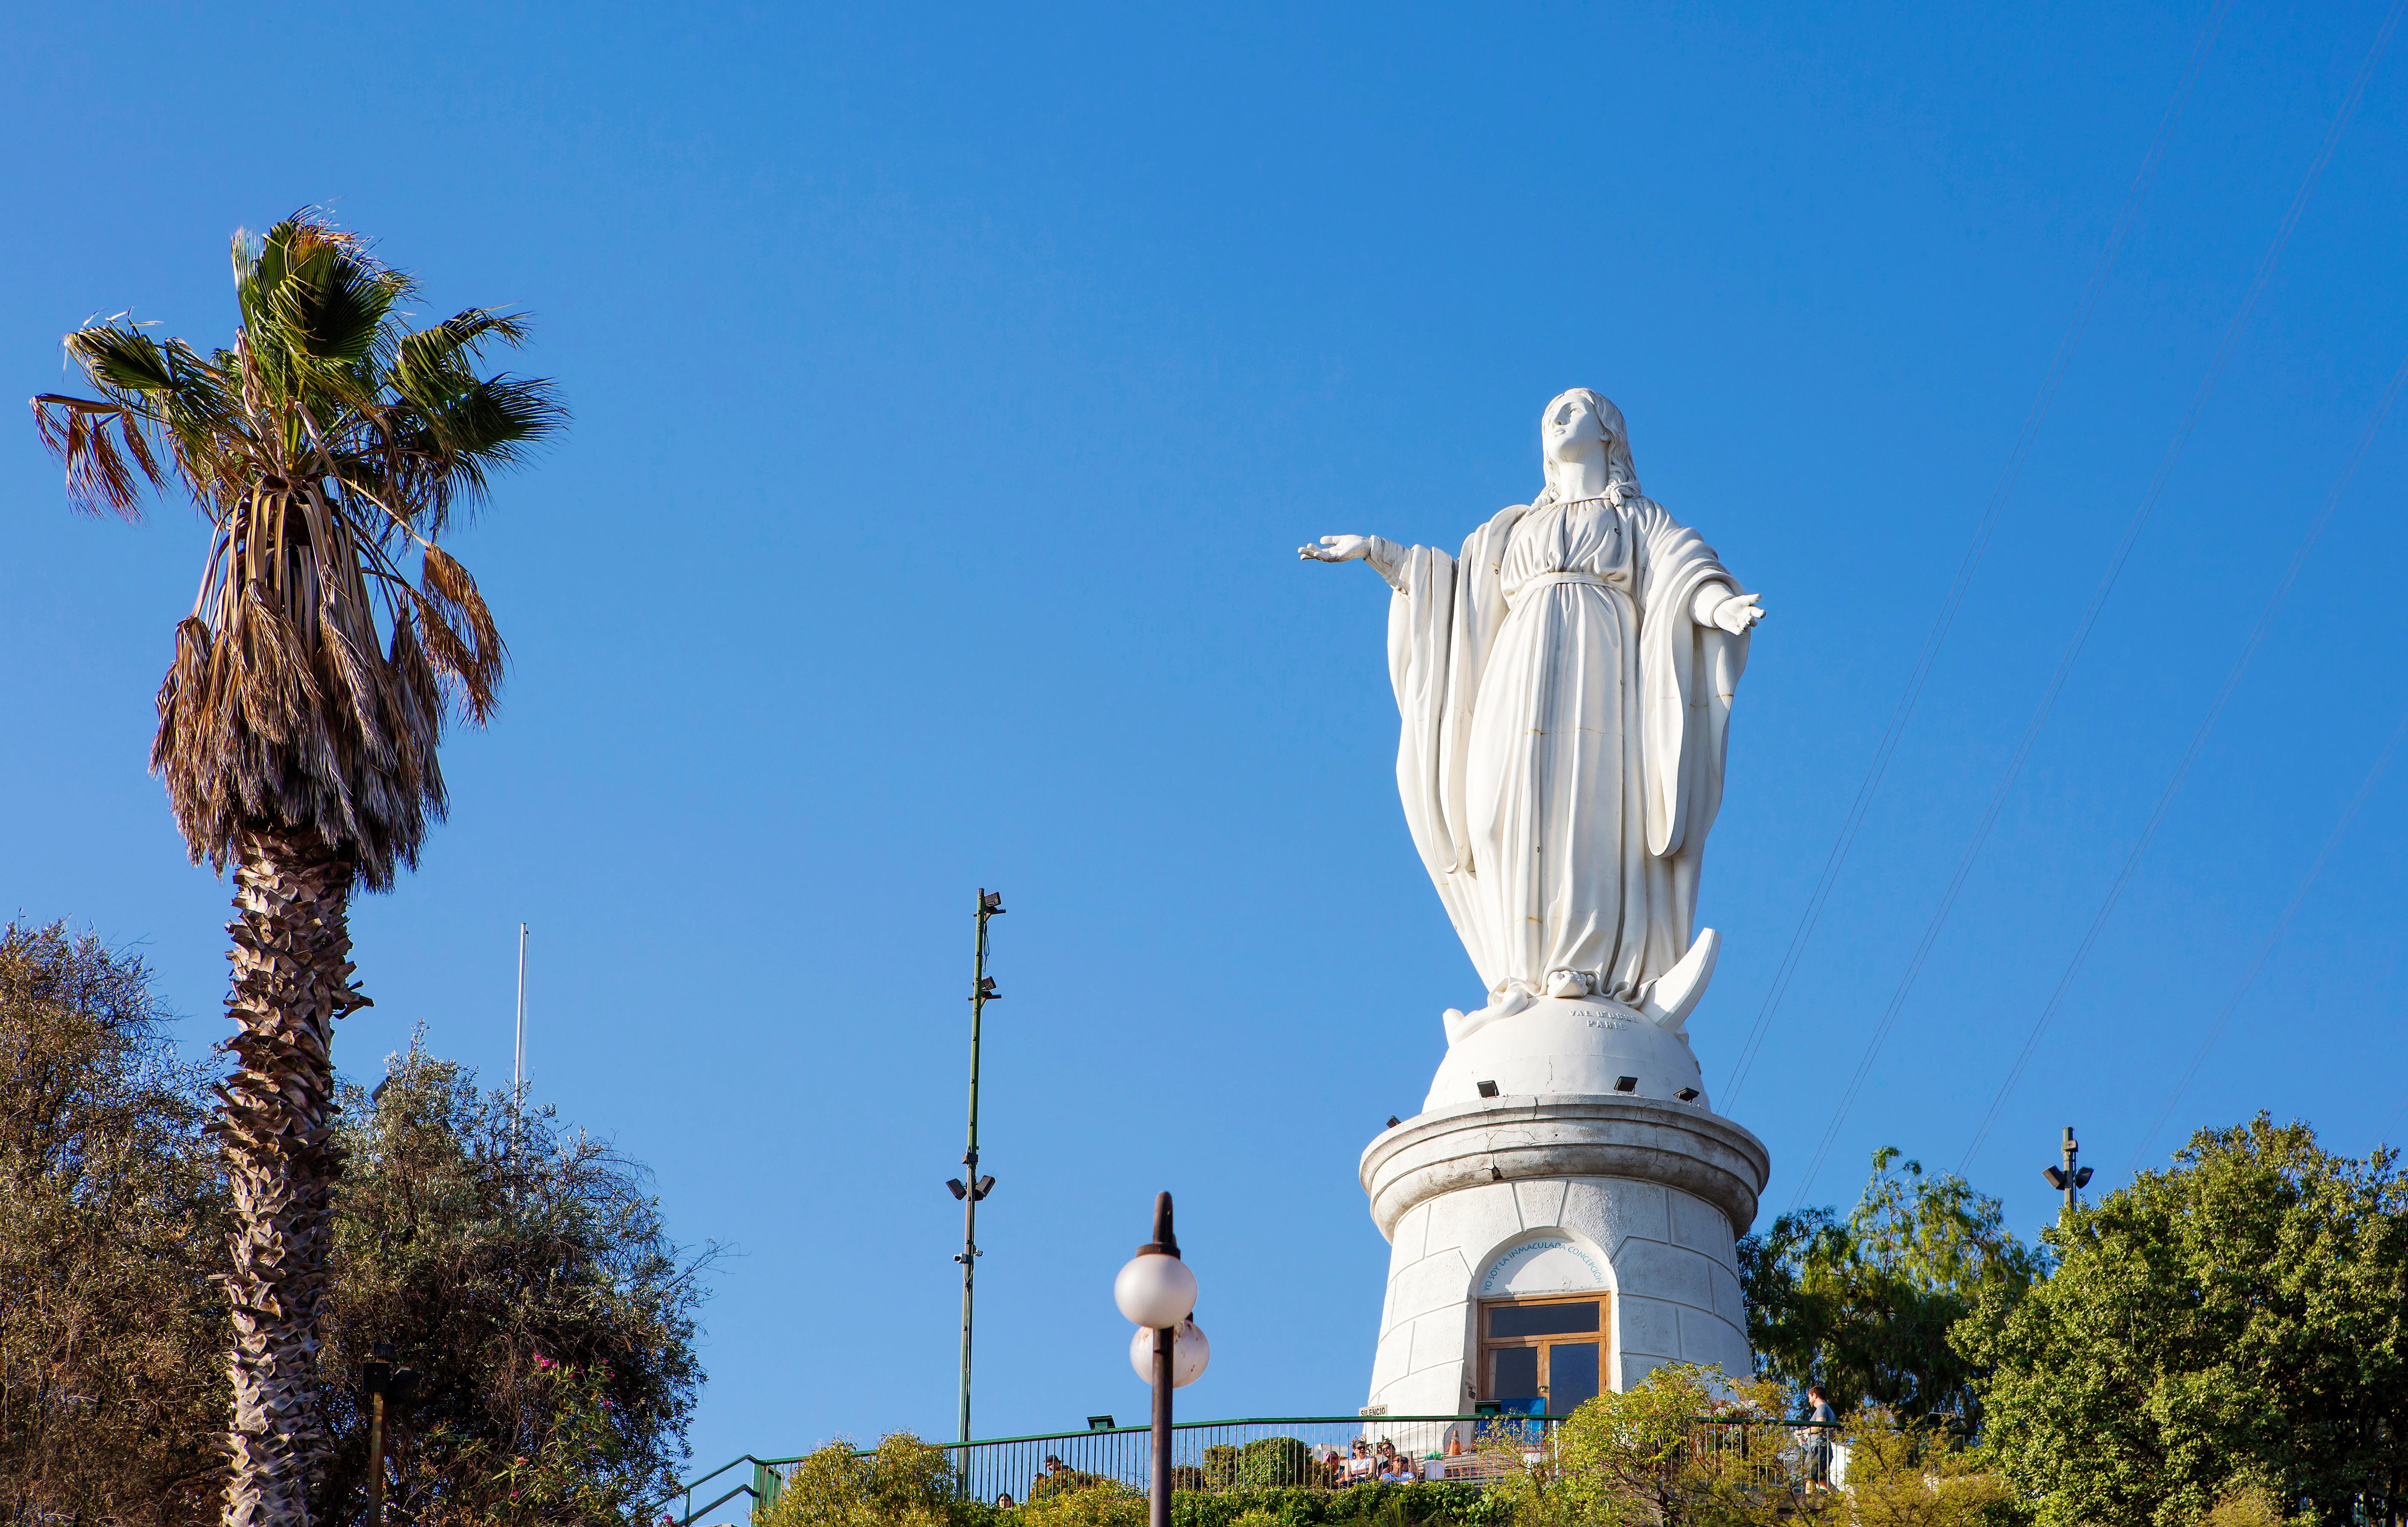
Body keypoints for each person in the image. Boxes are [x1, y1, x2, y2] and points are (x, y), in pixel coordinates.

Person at [1798, 1384, 1837, 1491]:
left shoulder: (1822, 1408)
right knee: (1822, 1480)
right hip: (1824, 1448)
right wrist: (1808, 1439)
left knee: (1809, 1477)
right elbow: (1829, 1433)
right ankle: (1842, 1499)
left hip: (1817, 1449)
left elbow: (1819, 1427)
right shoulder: (1829, 1410)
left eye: (1809, 1397)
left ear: (1814, 1395)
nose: (1809, 1400)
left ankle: (1808, 1505)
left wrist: (1801, 1432)